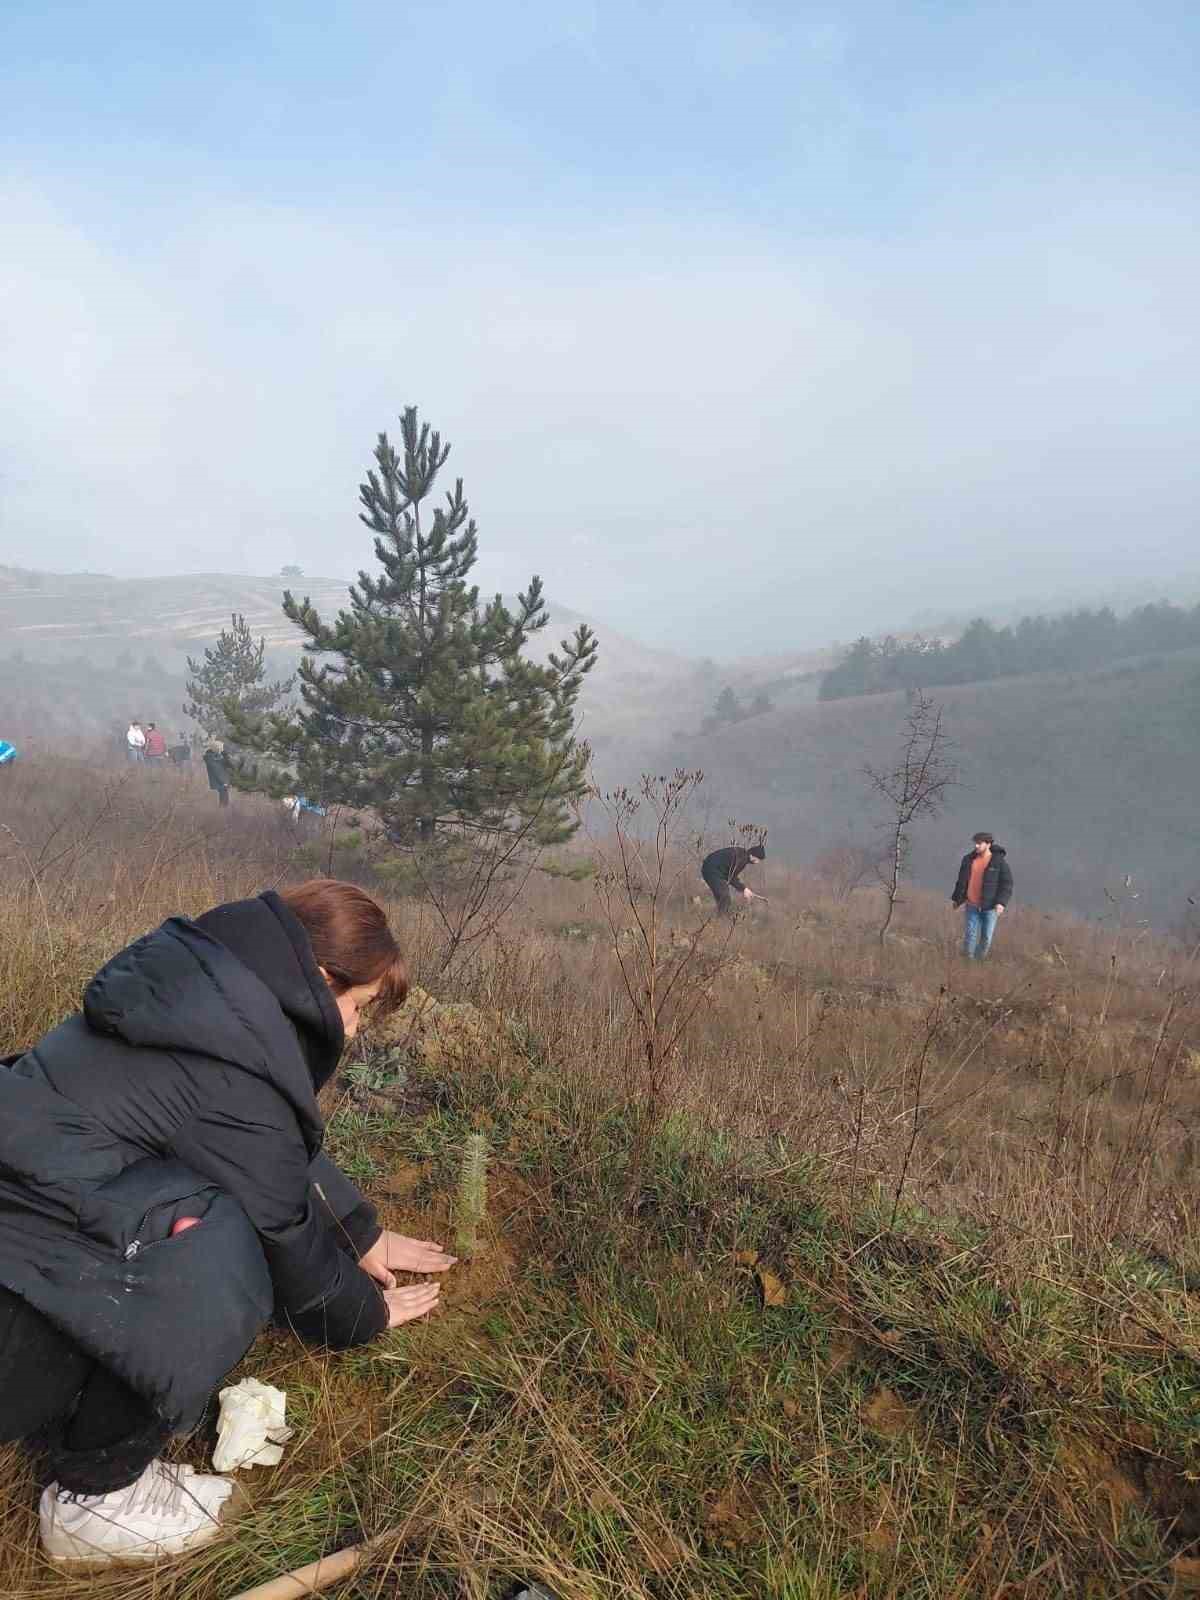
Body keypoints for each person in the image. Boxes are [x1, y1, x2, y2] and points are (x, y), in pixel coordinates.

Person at [0, 879, 456, 1566]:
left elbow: (261, 1147)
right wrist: (365, 1316)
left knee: (197, 1205)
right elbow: (285, 1233)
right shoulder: (226, 1068)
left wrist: (357, 1231)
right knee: (221, 1246)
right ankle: (96, 1499)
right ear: (323, 981)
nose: (356, 1030)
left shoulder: (188, 995)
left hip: (20, 1247)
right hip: (12, 1332)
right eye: (358, 1008)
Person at [951, 832, 1013, 960]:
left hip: (990, 908)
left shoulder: (999, 862)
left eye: (979, 843)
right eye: (975, 842)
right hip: (971, 905)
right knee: (970, 935)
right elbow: (962, 881)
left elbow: (1007, 884)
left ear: (988, 844)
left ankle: (978, 962)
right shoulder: (968, 860)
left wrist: (1001, 903)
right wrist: (957, 899)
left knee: (986, 938)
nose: (976, 845)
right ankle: (967, 963)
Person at [701, 842, 766, 916]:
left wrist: (743, 889)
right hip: (712, 870)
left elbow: (730, 875)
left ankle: (719, 919)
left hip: (711, 868)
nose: (757, 862)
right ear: (752, 855)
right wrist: (744, 889)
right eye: (758, 859)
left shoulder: (741, 854)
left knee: (722, 897)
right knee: (725, 897)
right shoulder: (742, 859)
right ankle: (722, 921)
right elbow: (731, 877)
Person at [203, 741, 230, 807]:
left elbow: (226, 762)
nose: (221, 749)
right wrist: (223, 782)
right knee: (224, 798)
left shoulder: (215, 756)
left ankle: (223, 810)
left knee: (224, 797)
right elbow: (216, 771)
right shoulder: (211, 758)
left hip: (221, 780)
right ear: (216, 749)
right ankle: (223, 811)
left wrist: (223, 753)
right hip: (220, 781)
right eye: (220, 748)